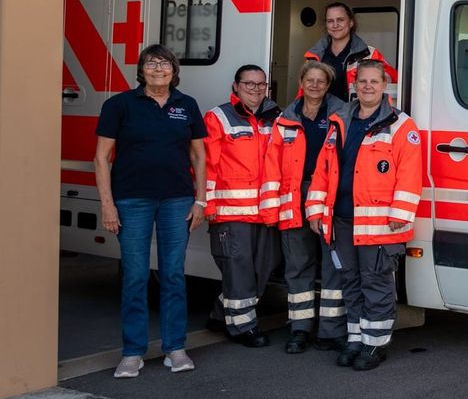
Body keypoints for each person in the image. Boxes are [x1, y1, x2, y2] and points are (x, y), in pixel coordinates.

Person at [94, 44, 207, 378]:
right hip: (131, 200)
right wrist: (107, 204)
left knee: (173, 275)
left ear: (174, 70)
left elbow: (198, 156)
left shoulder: (186, 106)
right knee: (135, 276)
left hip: (177, 201)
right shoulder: (119, 105)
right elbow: (101, 157)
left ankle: (175, 348)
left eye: (165, 64)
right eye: (152, 63)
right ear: (141, 70)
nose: (159, 69)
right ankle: (132, 353)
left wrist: (200, 200)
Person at [306, 59, 423, 371]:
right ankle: (356, 339)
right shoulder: (339, 120)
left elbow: (410, 175)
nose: (368, 86)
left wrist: (401, 213)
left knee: (376, 284)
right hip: (342, 220)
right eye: (362, 81)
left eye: (374, 81)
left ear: (385, 86)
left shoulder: (401, 125)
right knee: (351, 282)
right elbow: (323, 169)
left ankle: (375, 345)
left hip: (380, 223)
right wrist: (316, 210)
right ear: (355, 86)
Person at [264, 61, 349, 353]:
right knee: (297, 265)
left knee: (332, 267)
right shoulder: (286, 117)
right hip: (294, 196)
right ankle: (299, 329)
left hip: (329, 194)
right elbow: (272, 166)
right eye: (309, 80)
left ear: (328, 85)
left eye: (321, 81)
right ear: (301, 81)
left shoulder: (342, 114)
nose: (315, 85)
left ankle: (331, 331)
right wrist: (271, 209)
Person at [203, 64, 282, 348]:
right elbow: (207, 166)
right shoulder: (218, 117)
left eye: (261, 85)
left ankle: (219, 314)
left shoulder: (276, 118)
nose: (255, 89)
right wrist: (207, 205)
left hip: (266, 213)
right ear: (236, 86)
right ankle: (242, 327)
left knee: (265, 267)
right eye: (249, 84)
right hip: (230, 213)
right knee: (239, 272)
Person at [304, 2, 396, 101]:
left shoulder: (369, 54)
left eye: (340, 20)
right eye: (330, 21)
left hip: (356, 115)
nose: (335, 25)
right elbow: (303, 94)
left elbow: (391, 83)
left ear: (351, 22)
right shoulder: (314, 57)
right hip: (321, 115)